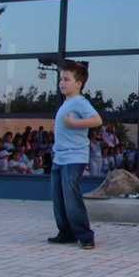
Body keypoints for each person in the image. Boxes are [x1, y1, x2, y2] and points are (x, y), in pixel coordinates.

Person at [48, 60, 102, 250]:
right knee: (59, 198)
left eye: (66, 79)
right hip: (60, 158)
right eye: (61, 79)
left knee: (71, 198)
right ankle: (66, 233)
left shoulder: (80, 102)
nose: (62, 83)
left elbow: (97, 120)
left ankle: (86, 237)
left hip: (74, 158)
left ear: (78, 83)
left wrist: (74, 124)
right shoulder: (67, 103)